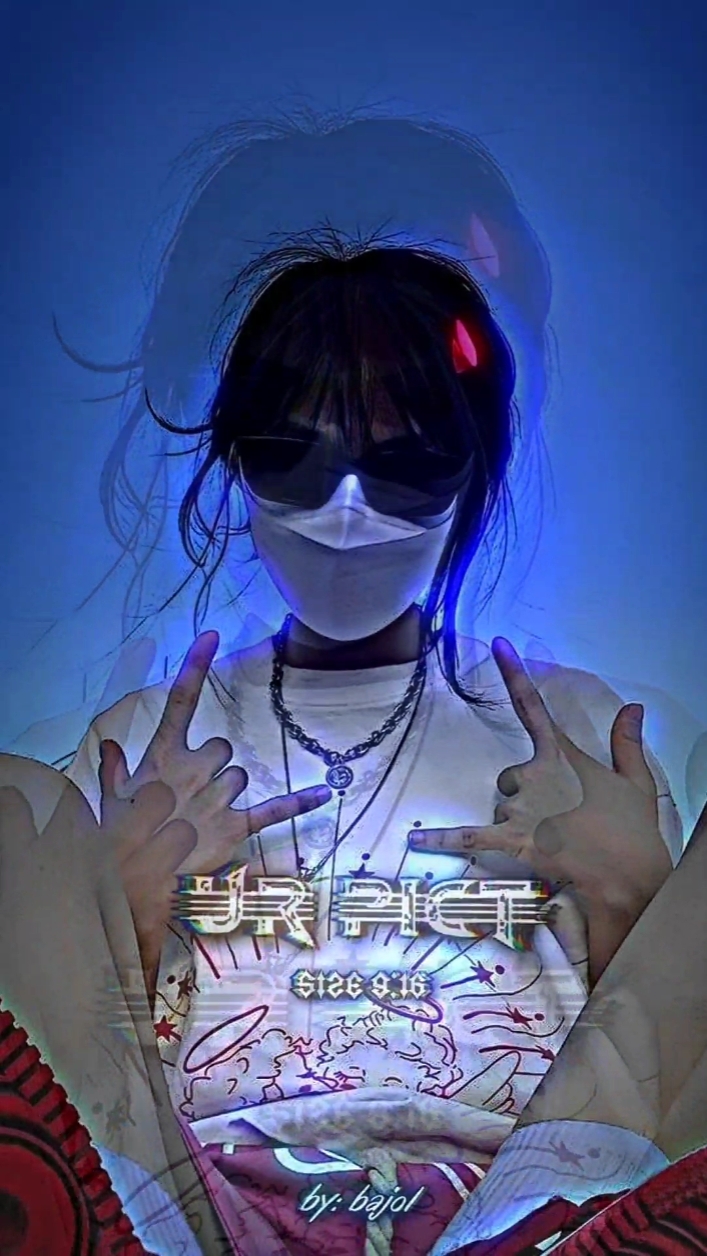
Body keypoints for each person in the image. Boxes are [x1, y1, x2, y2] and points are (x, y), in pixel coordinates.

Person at [66, 233, 683, 1256]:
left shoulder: (577, 735)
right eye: (295, 458)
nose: (346, 511)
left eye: (403, 466)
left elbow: (671, 1072)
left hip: (518, 1215)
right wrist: (117, 909)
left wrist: (636, 900)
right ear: (235, 457)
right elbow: (60, 1071)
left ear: (472, 470)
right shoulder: (140, 745)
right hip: (198, 1207)